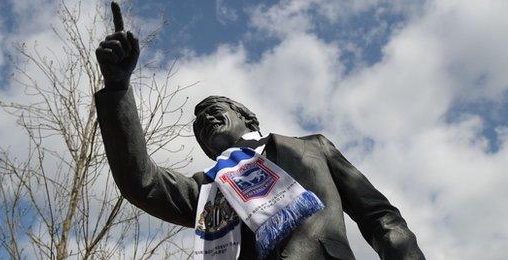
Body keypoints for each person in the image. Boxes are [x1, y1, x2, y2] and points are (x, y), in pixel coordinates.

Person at [94, 2, 425, 259]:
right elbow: (142, 182)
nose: (205, 121)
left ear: (247, 117)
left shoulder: (312, 150)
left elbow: (381, 219)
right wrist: (118, 86)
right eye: (198, 127)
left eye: (213, 111)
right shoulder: (209, 190)